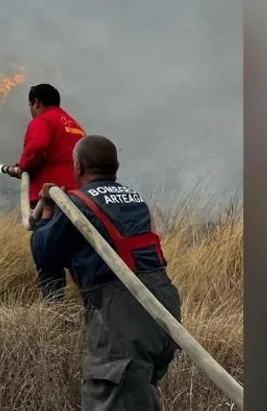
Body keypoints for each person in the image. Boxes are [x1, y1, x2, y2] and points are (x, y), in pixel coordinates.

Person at [29, 135, 182, 411]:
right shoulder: (137, 200)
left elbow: (44, 253)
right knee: (136, 396)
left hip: (124, 314)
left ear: (78, 167)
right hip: (165, 308)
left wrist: (48, 209)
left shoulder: (76, 204)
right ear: (116, 166)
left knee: (111, 398)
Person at [1, 83, 85, 299]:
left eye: (31, 106)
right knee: (80, 260)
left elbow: (36, 147)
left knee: (46, 254)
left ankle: (54, 315)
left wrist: (23, 166)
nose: (31, 110)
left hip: (53, 202)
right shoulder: (74, 125)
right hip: (81, 201)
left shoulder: (42, 120)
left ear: (36, 103)